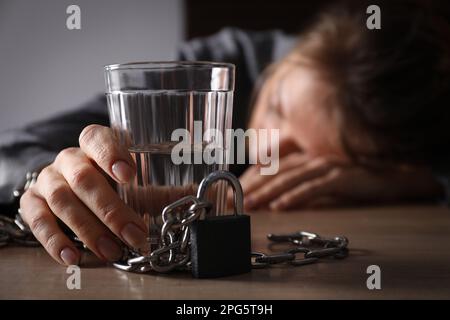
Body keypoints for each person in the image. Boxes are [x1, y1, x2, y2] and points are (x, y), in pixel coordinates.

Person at [0, 0, 449, 266]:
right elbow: (10, 146)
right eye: (276, 106)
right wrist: (44, 177)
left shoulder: (409, 134)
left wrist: (424, 178)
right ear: (281, 60)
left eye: (304, 157)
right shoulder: (209, 70)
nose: (267, 145)